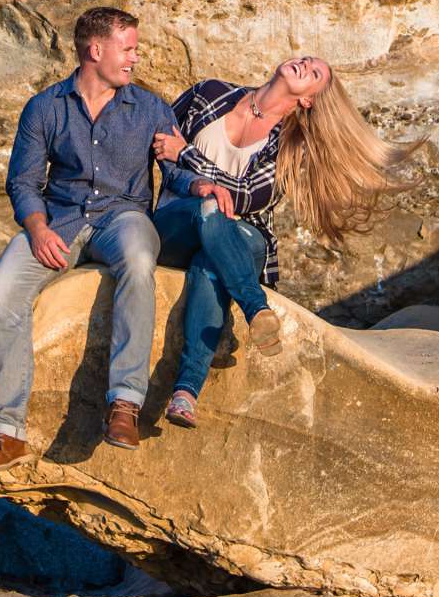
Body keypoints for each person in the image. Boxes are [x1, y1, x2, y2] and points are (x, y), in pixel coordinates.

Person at [148, 56, 418, 428]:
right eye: (308, 59)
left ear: (308, 100)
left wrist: (188, 154)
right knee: (209, 208)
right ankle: (256, 307)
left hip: (244, 236)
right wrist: (192, 178)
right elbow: (160, 146)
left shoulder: (293, 146)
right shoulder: (208, 94)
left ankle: (185, 393)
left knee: (210, 261)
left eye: (316, 72)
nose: (306, 63)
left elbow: (245, 197)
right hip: (179, 221)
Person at [0, 6, 178, 477]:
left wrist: (197, 172)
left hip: (122, 218)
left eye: (135, 49)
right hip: (58, 223)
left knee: (140, 258)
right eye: (128, 49)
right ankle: (5, 433)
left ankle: (125, 405)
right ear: (95, 50)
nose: (135, 59)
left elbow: (178, 172)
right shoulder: (45, 107)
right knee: (1, 295)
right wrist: (38, 229)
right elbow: (22, 182)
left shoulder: (149, 109)